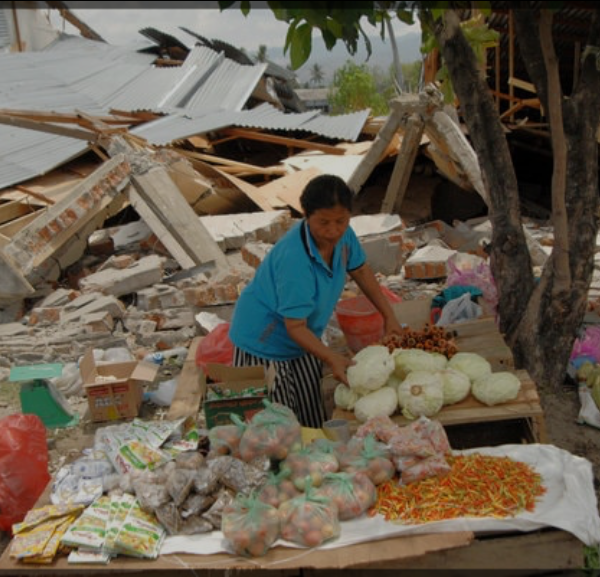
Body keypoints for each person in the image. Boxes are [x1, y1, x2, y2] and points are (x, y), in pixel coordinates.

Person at [228, 174, 404, 428]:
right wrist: (332, 357)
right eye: (323, 222)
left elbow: (362, 271)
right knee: (274, 428)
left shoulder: (344, 236)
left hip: (304, 335)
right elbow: (294, 326)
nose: (333, 231)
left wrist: (390, 316)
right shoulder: (294, 259)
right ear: (306, 216)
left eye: (341, 221)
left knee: (312, 418)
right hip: (264, 337)